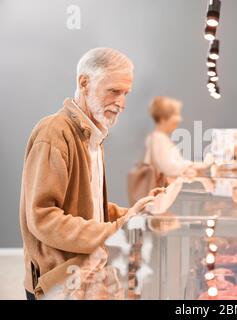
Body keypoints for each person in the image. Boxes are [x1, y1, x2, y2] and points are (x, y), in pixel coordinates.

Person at [19, 47, 162, 300]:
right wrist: (116, 229)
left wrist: (131, 214)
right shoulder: (54, 133)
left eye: (126, 93)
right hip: (58, 283)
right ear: (84, 83)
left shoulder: (93, 136)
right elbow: (43, 217)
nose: (122, 103)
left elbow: (86, 207)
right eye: (114, 91)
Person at [144, 96, 212, 181]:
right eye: (176, 114)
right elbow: (169, 168)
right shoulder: (158, 139)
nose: (180, 119)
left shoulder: (159, 138)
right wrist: (193, 166)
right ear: (163, 119)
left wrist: (192, 166)